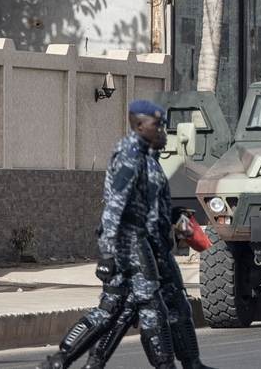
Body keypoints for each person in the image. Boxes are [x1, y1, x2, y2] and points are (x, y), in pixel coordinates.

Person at [38, 100, 177, 369]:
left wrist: (158, 244)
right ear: (139, 125)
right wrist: (109, 253)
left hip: (137, 240)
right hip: (127, 241)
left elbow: (149, 207)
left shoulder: (145, 155)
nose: (161, 129)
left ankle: (66, 361)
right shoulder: (130, 155)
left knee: (116, 307)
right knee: (146, 307)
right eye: (156, 124)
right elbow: (115, 205)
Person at [81, 125, 214, 369]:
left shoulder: (152, 165)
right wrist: (122, 252)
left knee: (176, 305)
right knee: (123, 311)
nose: (164, 137)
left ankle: (192, 362)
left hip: (156, 249)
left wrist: (174, 216)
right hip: (138, 250)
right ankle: (94, 363)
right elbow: (128, 213)